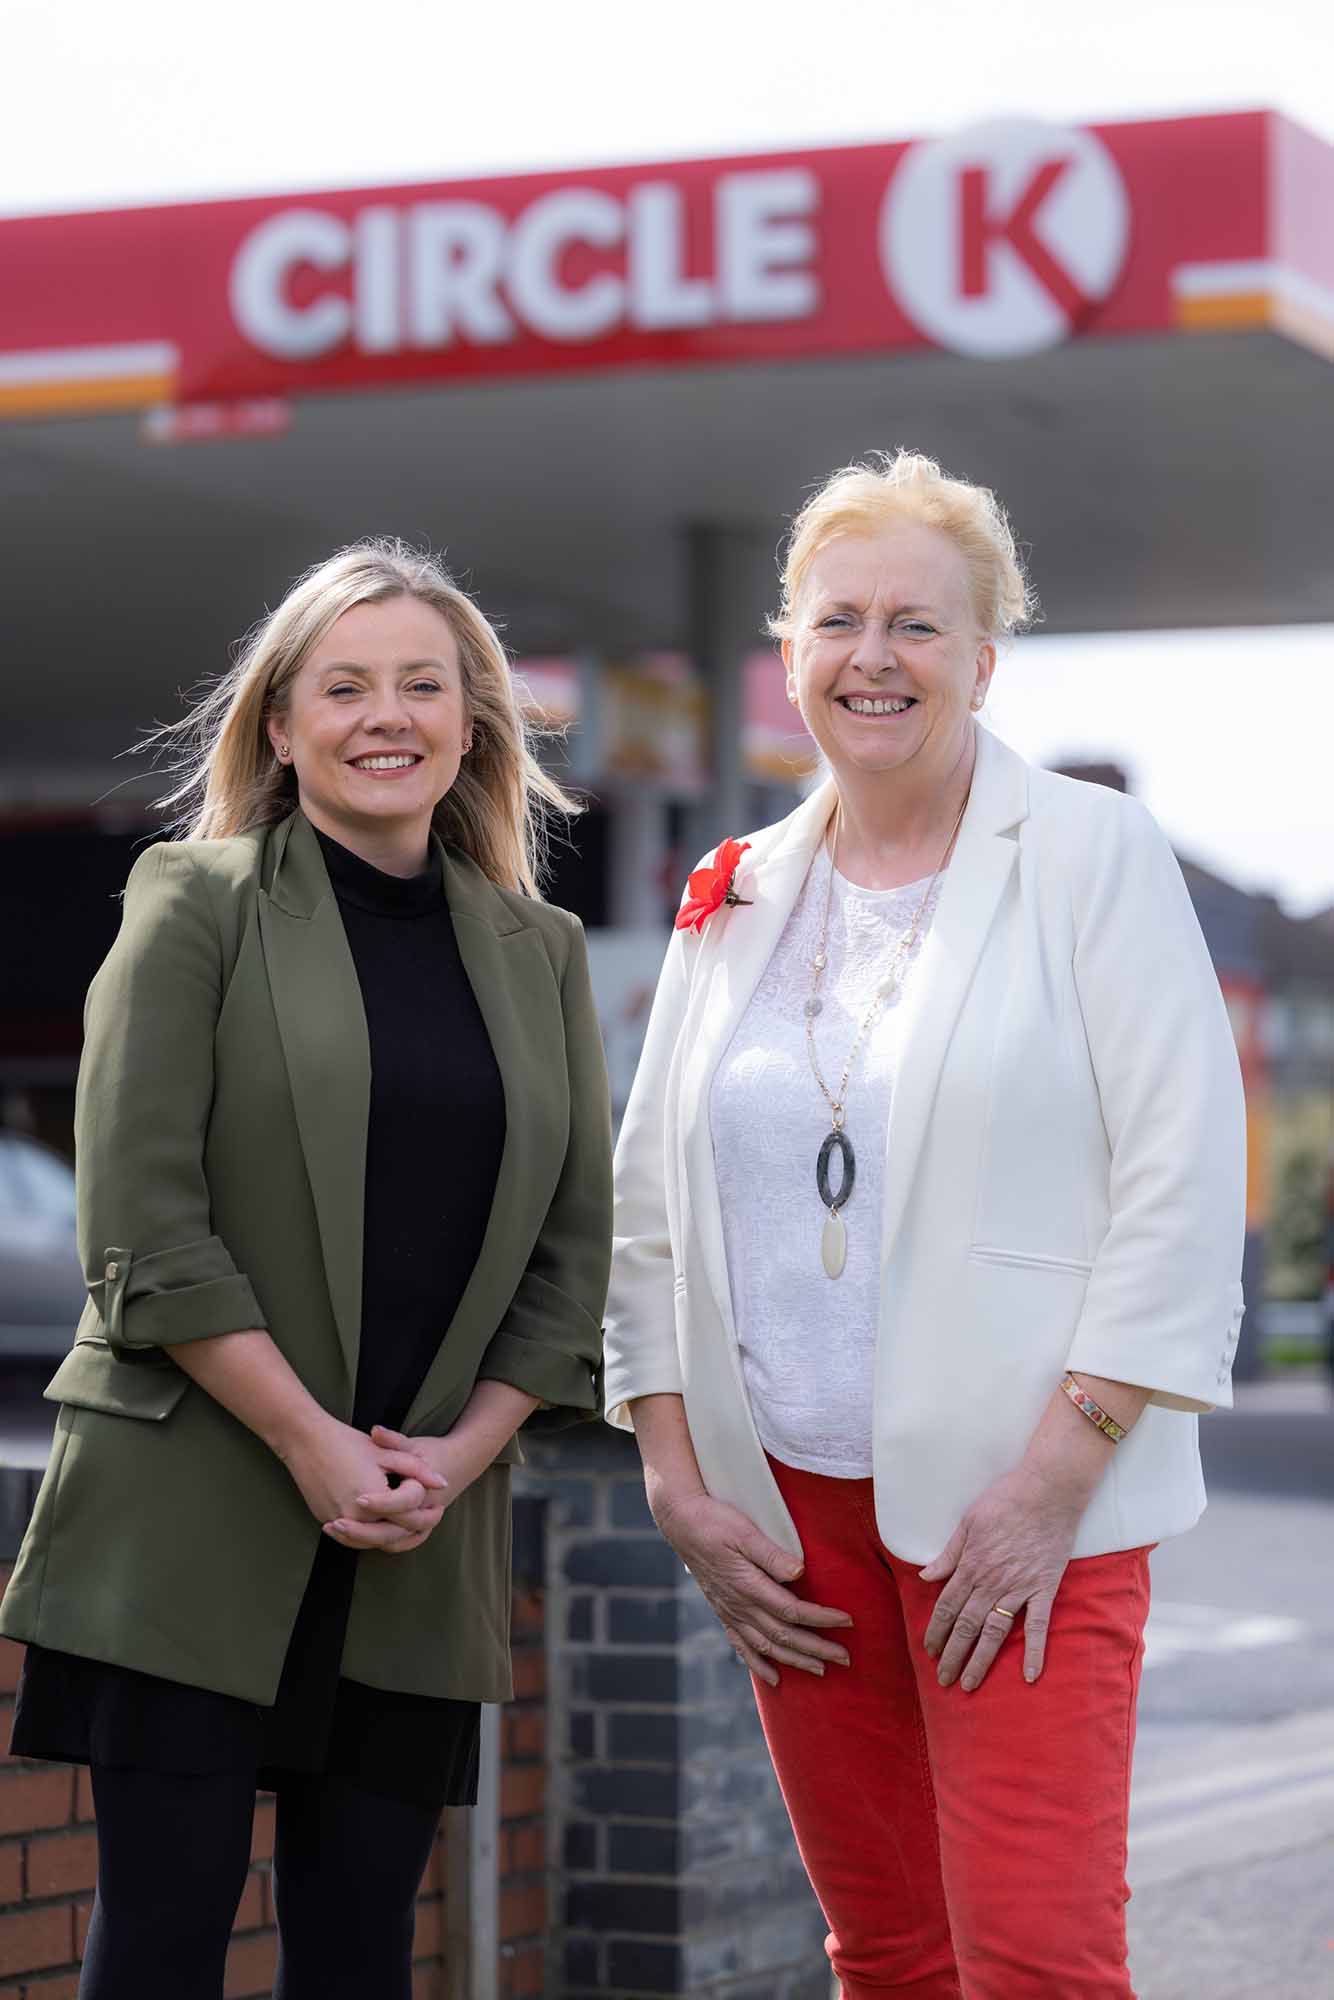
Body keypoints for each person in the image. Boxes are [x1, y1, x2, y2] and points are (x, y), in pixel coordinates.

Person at [603, 453, 1246, 1998]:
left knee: (1032, 1953)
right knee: (885, 1951)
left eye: (915, 624)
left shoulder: (1088, 855)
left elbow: (1183, 1172)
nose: (872, 658)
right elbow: (646, 1210)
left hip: (1021, 1506)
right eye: (838, 622)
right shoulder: (736, 888)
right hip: (789, 1525)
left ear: (982, 657)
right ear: (787, 651)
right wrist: (674, 1475)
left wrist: (1057, 1475)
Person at [1, 540, 611, 2000]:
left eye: (422, 684)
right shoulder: (192, 901)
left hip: (417, 1527)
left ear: (473, 721)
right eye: (343, 686)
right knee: (161, 1949)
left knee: (360, 1962)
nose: (384, 715)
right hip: (193, 1514)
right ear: (280, 724)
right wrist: (309, 1441)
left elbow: (573, 1253)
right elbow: (140, 1228)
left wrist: (453, 1461)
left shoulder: (541, 950)